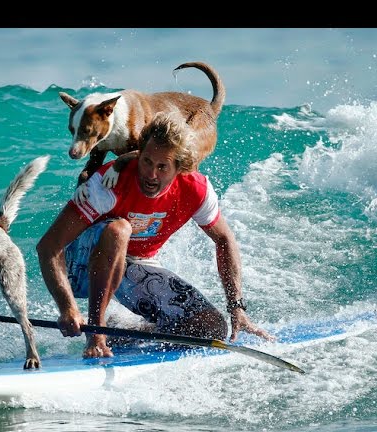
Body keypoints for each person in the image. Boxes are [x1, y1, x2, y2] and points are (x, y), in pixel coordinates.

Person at [36, 111, 275, 358]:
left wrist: (236, 308)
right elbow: (48, 247)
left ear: (180, 167)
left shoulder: (196, 190)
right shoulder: (107, 185)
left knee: (210, 328)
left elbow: (224, 239)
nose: (151, 175)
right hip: (82, 267)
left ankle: (122, 336)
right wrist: (67, 308)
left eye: (162, 167)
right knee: (119, 230)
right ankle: (96, 333)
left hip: (134, 266)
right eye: (147, 161)